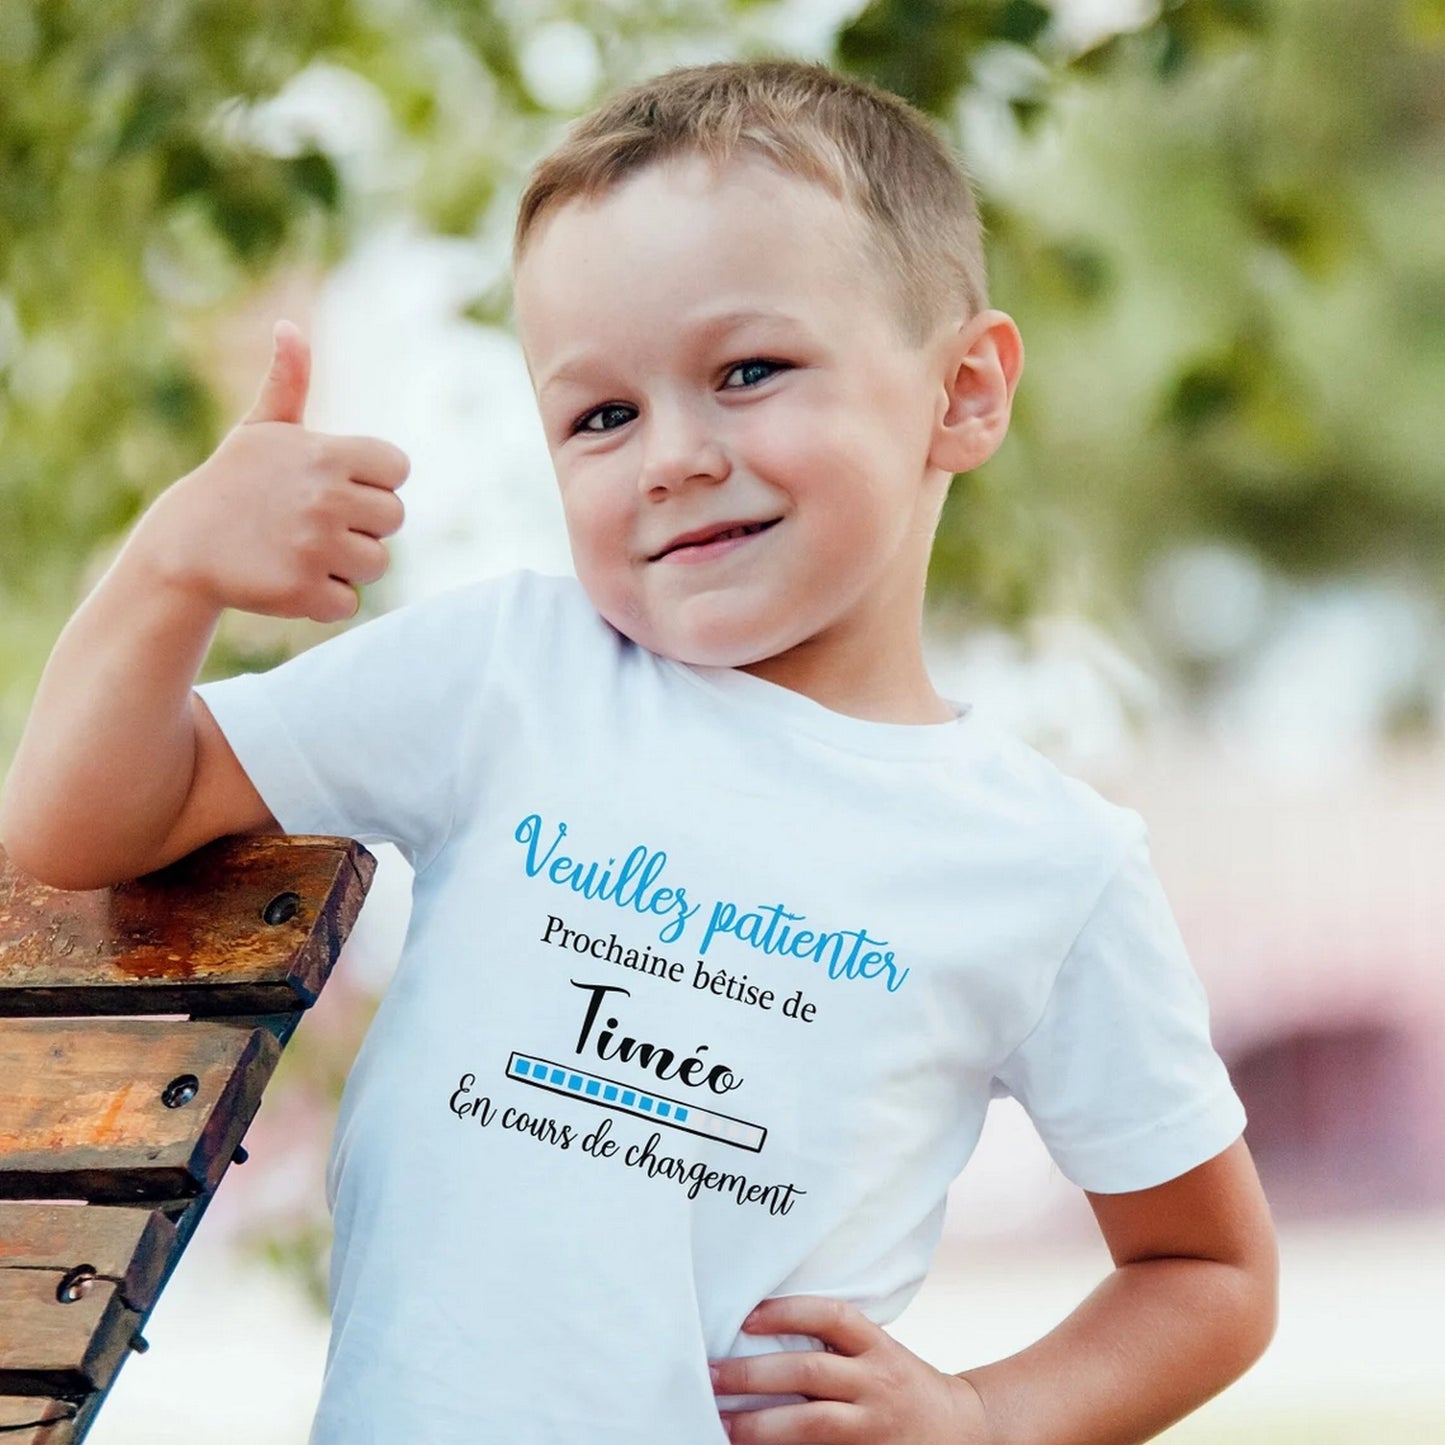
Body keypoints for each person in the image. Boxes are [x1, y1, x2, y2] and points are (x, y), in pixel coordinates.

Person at [0, 56, 1277, 1445]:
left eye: (748, 370)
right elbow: (78, 828)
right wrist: (170, 570)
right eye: (599, 415)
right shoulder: (506, 674)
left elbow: (1207, 1271)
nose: (669, 454)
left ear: (961, 392)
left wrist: (979, 1415)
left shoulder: (1046, 863)